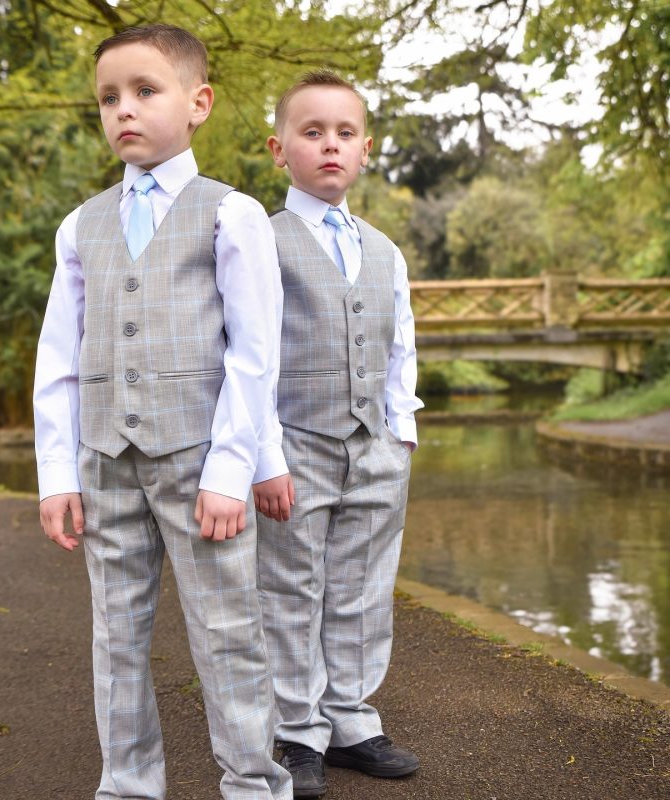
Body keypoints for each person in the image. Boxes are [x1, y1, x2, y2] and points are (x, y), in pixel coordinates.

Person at [33, 24, 292, 800]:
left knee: (227, 631)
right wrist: (57, 473)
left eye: (145, 91)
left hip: (198, 463)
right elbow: (59, 356)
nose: (124, 109)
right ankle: (127, 784)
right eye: (108, 97)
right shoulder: (81, 225)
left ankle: (254, 783)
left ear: (198, 102)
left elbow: (255, 354)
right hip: (105, 462)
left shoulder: (231, 214)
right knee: (116, 635)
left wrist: (232, 469)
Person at [252, 70, 424, 798]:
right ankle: (299, 732)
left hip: (373, 447)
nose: (330, 145)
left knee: (363, 587)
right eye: (312, 132)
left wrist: (399, 433)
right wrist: (262, 454)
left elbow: (399, 346)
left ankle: (351, 720)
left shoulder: (384, 250)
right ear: (279, 149)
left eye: (344, 133)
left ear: (366, 150)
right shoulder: (260, 240)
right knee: (292, 588)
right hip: (296, 442)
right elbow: (248, 355)